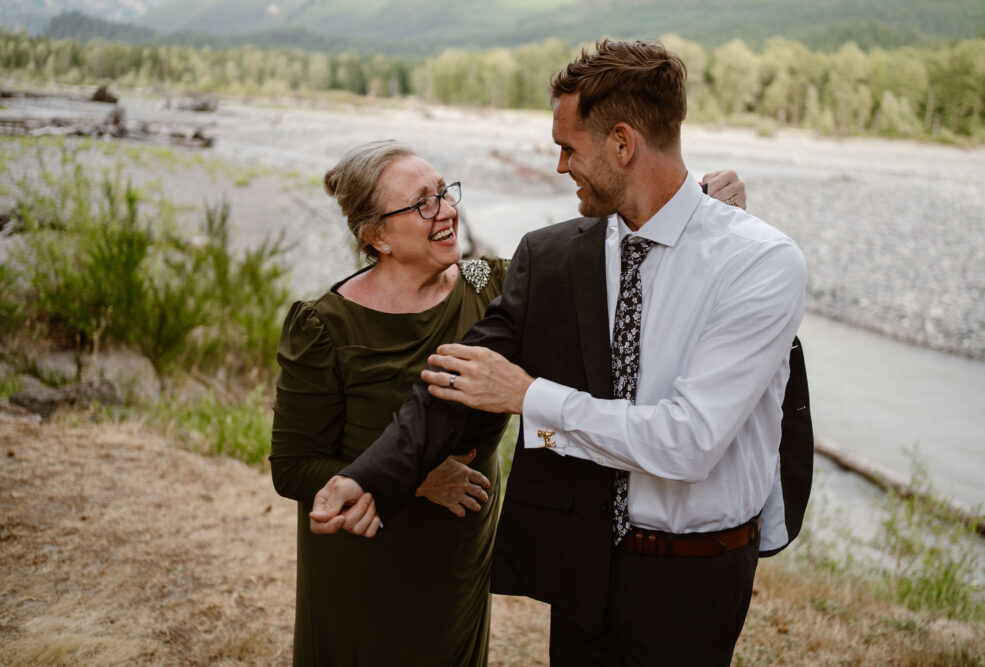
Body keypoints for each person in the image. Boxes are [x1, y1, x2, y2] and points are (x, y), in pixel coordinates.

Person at [312, 39, 805, 666]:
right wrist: (371, 478)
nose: (559, 167)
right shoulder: (550, 255)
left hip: (695, 578)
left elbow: (690, 441)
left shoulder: (758, 261)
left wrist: (528, 396)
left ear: (622, 143)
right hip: (582, 566)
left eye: (568, 149)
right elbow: (463, 378)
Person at [271, 140, 748, 664]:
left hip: (456, 551)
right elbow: (292, 469)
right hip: (364, 550)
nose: (447, 211)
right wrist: (416, 479)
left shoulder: (491, 285)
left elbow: (605, 254)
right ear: (376, 236)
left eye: (444, 193)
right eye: (420, 203)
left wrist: (703, 210)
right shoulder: (324, 324)